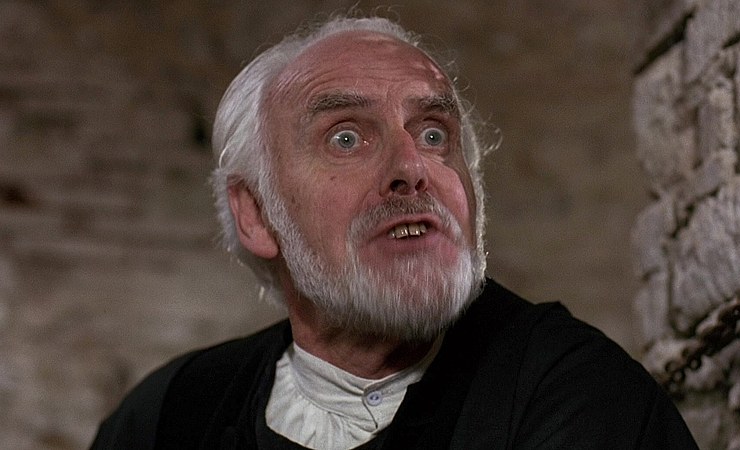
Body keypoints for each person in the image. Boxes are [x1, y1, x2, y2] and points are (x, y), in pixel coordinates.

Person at [91, 15, 698, 449]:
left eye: (434, 135)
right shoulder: (169, 417)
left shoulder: (575, 395)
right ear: (256, 214)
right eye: (346, 138)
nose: (411, 167)